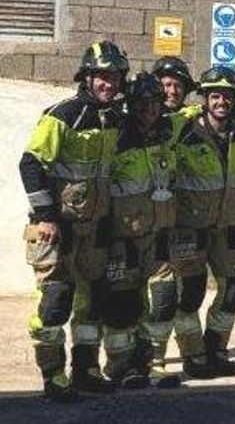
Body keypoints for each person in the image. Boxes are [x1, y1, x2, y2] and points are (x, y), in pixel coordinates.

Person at [20, 41, 128, 402]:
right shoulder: (63, 114)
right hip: (59, 229)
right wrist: (45, 215)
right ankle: (53, 376)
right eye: (101, 76)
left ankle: (85, 370)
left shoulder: (113, 118)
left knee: (91, 304)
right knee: (56, 303)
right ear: (87, 77)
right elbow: (31, 164)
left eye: (113, 76)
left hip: (94, 228)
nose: (108, 83)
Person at [172, 66, 235, 379]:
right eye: (215, 95)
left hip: (229, 226)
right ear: (205, 99)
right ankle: (193, 355)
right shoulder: (183, 131)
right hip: (190, 228)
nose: (221, 101)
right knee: (191, 293)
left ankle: (216, 349)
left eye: (227, 95)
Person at [99, 73, 176, 390]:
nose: (149, 109)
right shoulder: (116, 137)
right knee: (124, 306)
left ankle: (151, 362)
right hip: (123, 237)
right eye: (142, 103)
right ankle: (121, 366)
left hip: (158, 234)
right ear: (131, 105)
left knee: (163, 300)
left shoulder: (168, 134)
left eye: (154, 103)